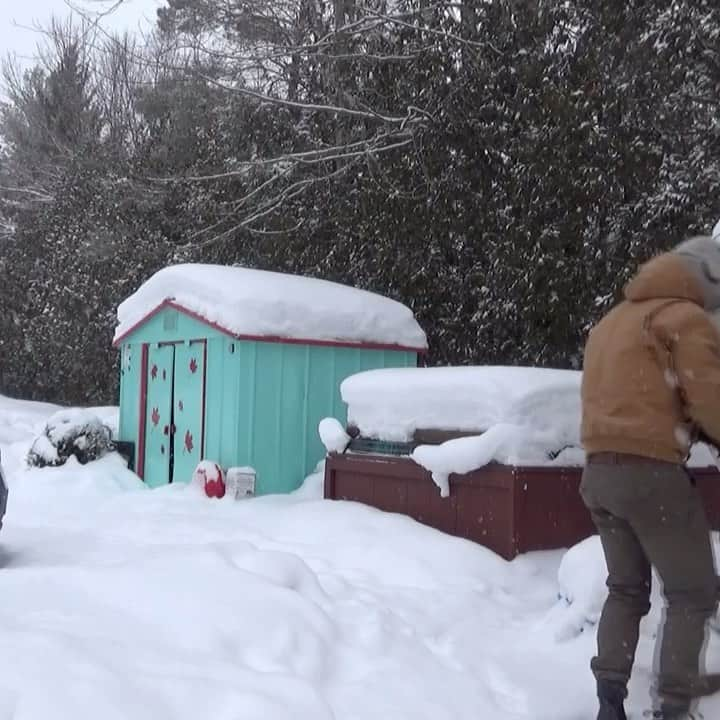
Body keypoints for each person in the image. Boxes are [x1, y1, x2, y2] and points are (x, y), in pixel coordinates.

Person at [580, 235, 720, 720]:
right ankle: (675, 707)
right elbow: (709, 399)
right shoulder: (684, 318)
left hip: (599, 474)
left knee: (626, 589)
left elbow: (630, 397)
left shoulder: (611, 323)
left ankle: (610, 701)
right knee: (693, 592)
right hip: (651, 477)